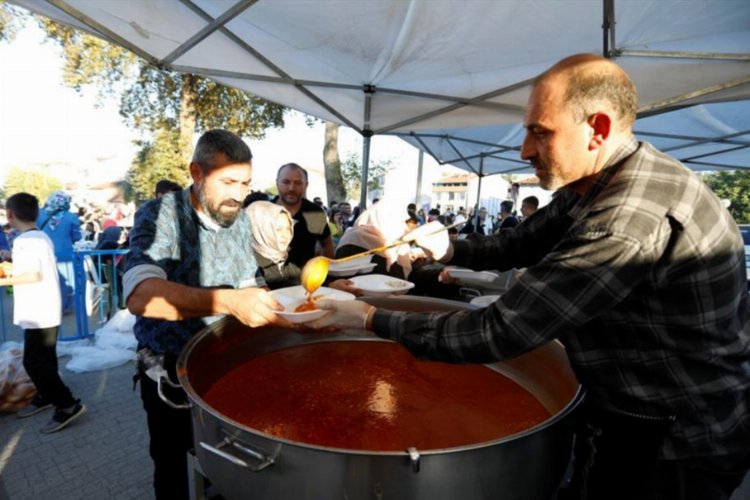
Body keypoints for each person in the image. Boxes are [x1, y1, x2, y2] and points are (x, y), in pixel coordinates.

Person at [311, 54, 750, 500]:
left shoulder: (625, 219)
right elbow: (518, 245)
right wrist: (447, 247)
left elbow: (500, 330)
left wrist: (367, 318)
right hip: (631, 413)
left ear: (597, 129)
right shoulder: (597, 183)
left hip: (674, 439)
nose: (523, 150)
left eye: (540, 132)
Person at [123, 129, 289, 500]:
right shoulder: (160, 215)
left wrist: (303, 310)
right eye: (228, 182)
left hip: (227, 371)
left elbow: (253, 288)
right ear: (196, 173)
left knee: (227, 465)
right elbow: (140, 297)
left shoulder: (240, 220)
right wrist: (229, 302)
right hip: (171, 382)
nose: (239, 194)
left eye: (245, 183)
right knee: (172, 472)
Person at [3, 193, 86, 433]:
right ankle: (46, 396)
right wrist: (12, 259)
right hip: (46, 308)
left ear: (10, 214)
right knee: (45, 360)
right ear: (36, 214)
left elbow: (32, 275)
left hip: (38, 311)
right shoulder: (39, 237)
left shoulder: (24, 241)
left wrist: (6, 277)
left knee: (34, 362)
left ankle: (67, 404)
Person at [273, 163, 334, 268]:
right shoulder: (264, 211)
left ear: (306, 185)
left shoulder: (313, 213)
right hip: (267, 281)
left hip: (304, 280)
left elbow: (327, 244)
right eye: (286, 182)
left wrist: (325, 271)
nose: (291, 188)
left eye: (298, 183)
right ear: (277, 183)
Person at [37, 191, 82, 313]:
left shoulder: (39, 215)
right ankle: (64, 307)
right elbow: (77, 237)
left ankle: (48, 306)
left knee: (46, 281)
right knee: (66, 283)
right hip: (65, 255)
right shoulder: (71, 217)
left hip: (43, 254)